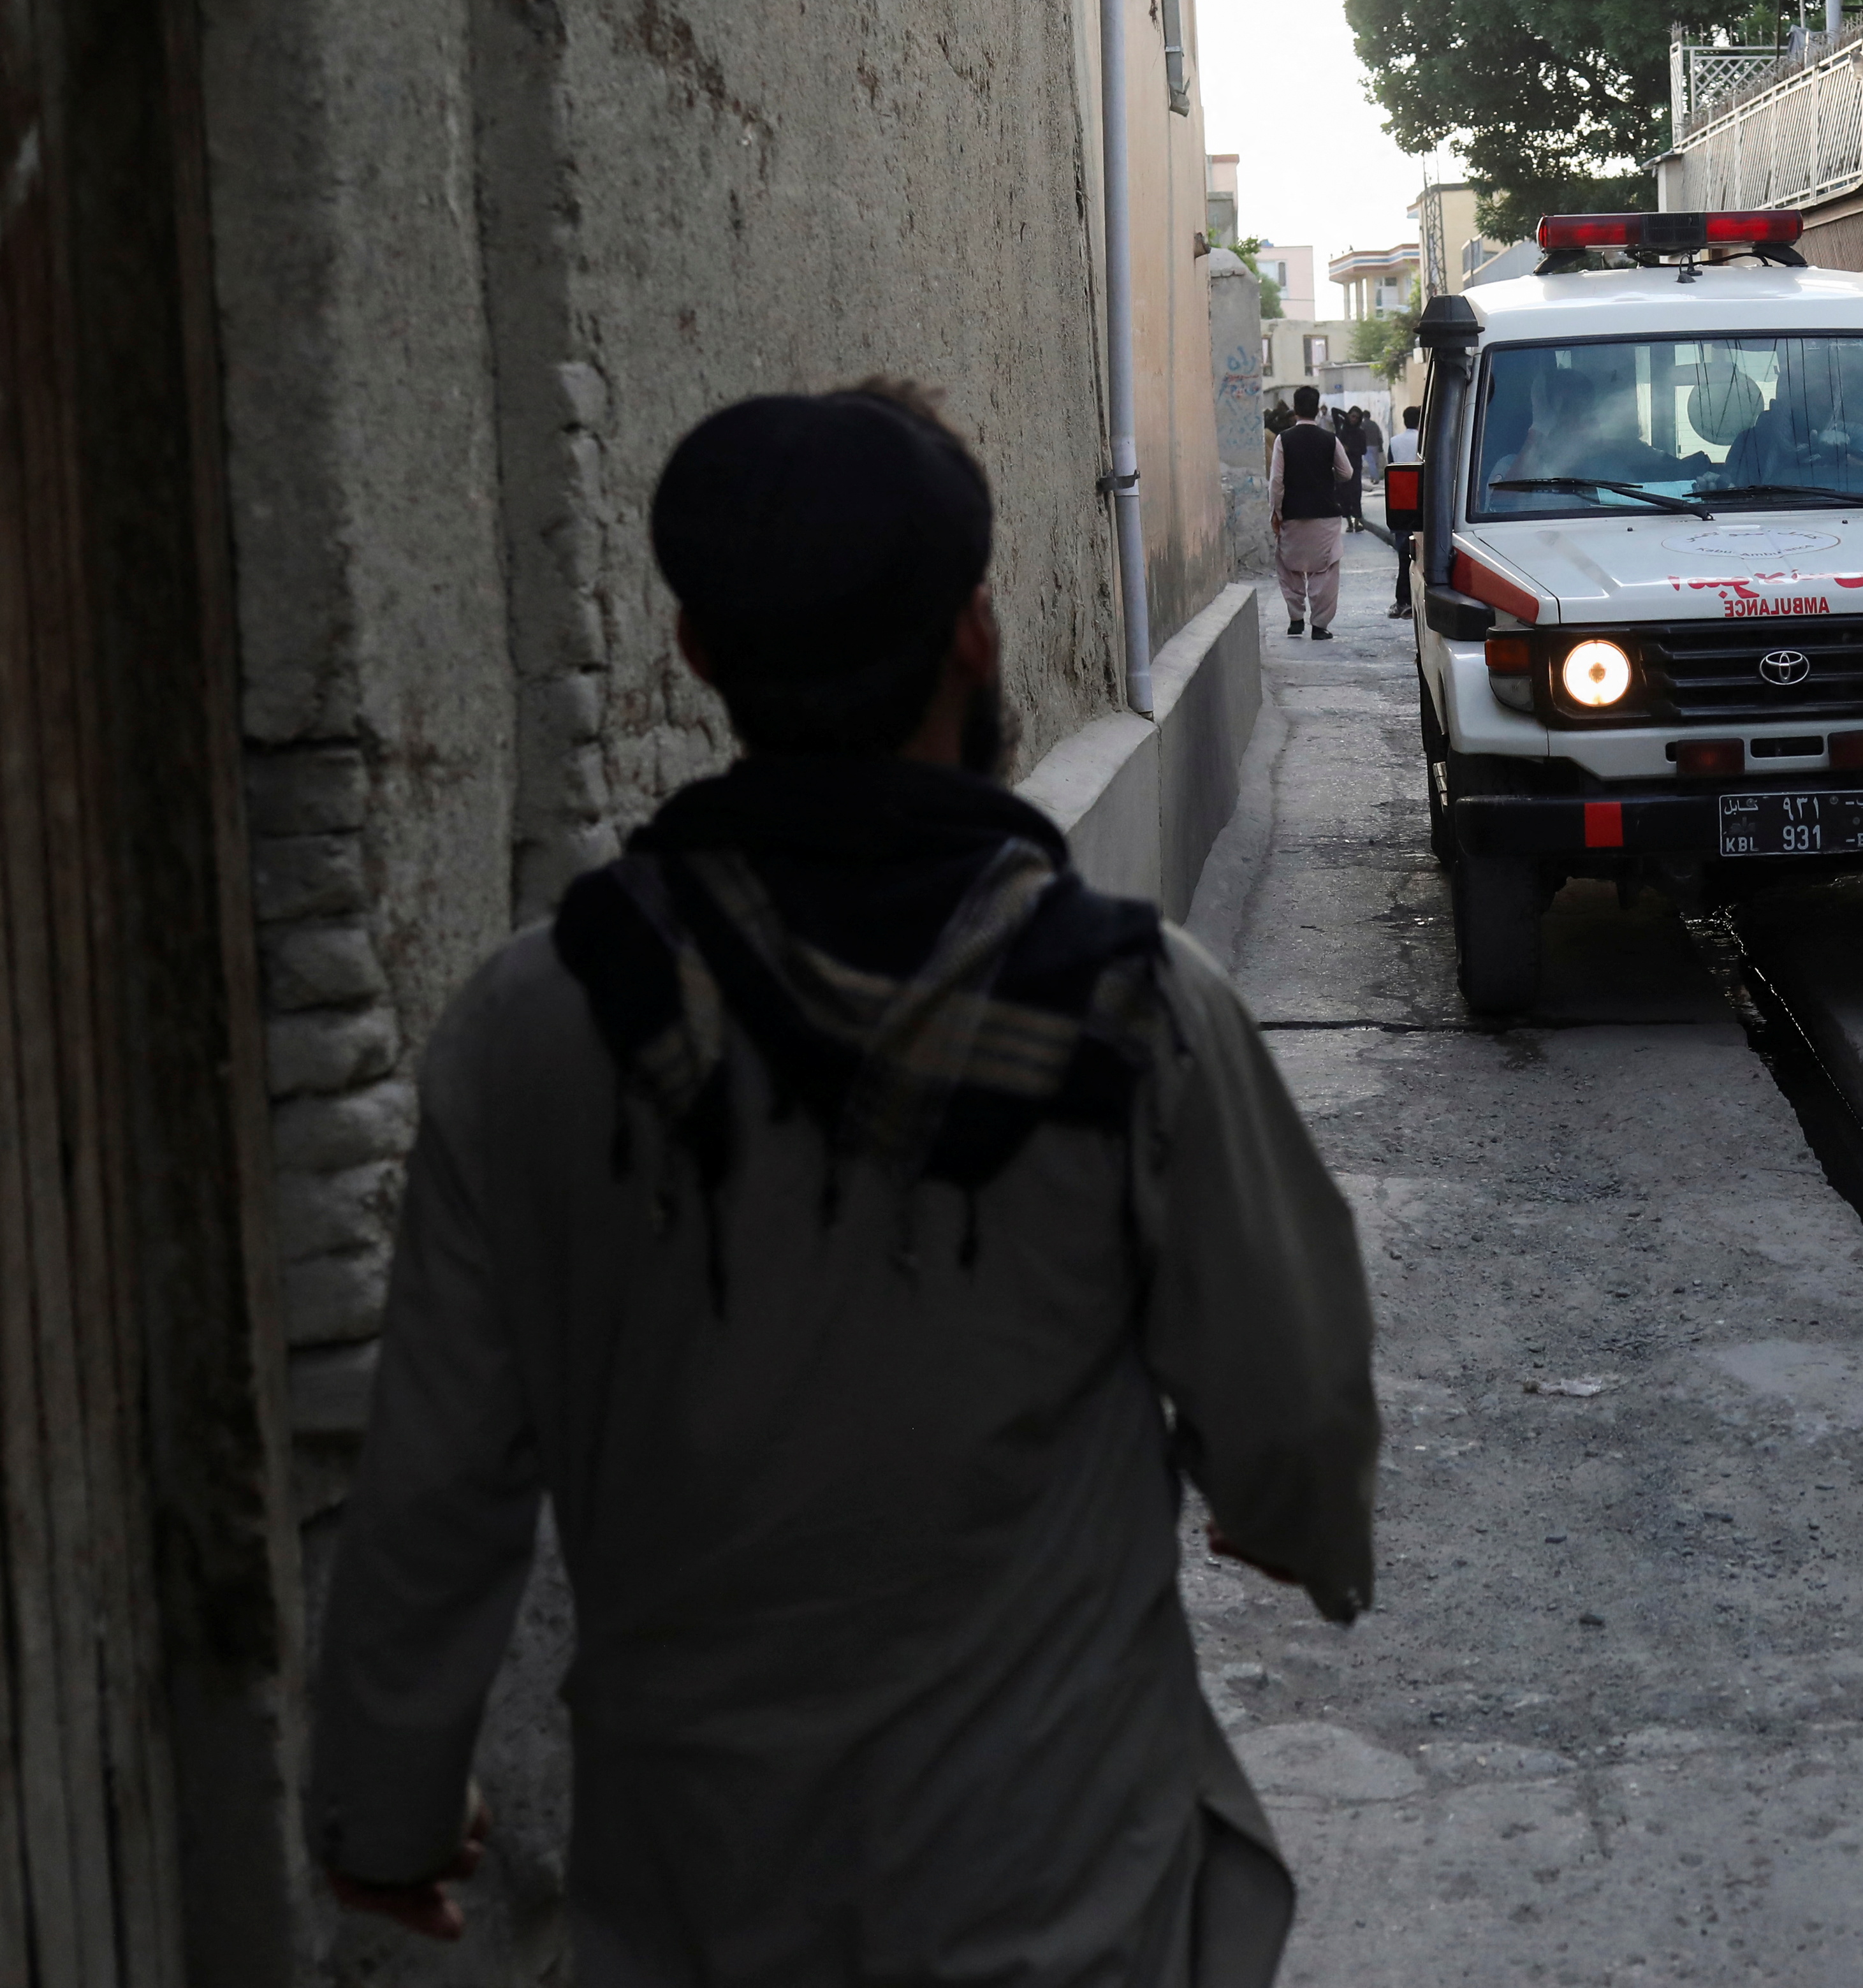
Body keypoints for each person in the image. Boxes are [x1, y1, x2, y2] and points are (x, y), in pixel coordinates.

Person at [305, 383, 1378, 1986]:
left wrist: (383, 1806)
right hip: (1065, 1898)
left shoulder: (534, 1020)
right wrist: (1297, 1518)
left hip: (698, 1899)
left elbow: (437, 1478)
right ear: (973, 631)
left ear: (696, 655)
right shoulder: (1131, 1006)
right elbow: (1289, 1394)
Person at [1271, 386, 1352, 640]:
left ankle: (1296, 620)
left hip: (1293, 513)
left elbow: (1277, 481)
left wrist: (1276, 511)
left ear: (1295, 409)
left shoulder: (1283, 439)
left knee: (1290, 567)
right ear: (1318, 410)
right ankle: (1319, 626)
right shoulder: (1330, 440)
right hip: (1325, 514)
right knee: (1324, 571)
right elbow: (1347, 473)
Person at [1384, 400, 1424, 619]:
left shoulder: (1395, 441)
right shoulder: (1424, 439)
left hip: (1402, 499)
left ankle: (1403, 600)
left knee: (1403, 553)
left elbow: (1390, 469)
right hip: (1424, 498)